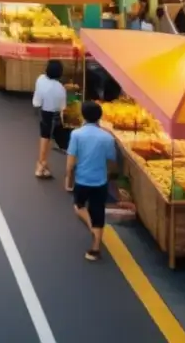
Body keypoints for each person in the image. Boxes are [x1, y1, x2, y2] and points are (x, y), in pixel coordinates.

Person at [65, 101, 117, 262]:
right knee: (98, 212)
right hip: (100, 182)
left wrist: (68, 179)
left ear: (83, 116)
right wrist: (108, 176)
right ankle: (95, 249)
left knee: (79, 206)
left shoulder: (76, 135)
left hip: (82, 180)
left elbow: (71, 162)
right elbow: (111, 161)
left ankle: (90, 227)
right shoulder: (107, 138)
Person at [32, 60, 67, 179]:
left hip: (42, 111)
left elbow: (36, 102)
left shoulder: (40, 79)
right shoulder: (60, 89)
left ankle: (43, 165)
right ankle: (41, 164)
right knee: (48, 139)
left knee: (44, 136)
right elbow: (63, 107)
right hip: (54, 114)